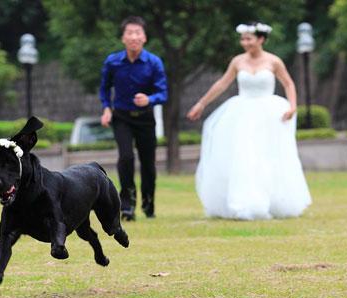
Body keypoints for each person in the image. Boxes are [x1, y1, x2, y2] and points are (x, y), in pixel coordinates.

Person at [187, 22, 311, 220]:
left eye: (249, 39)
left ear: (260, 39)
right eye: (242, 39)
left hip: (269, 114)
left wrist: (292, 106)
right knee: (244, 156)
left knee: (268, 155)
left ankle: (275, 200)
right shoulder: (237, 61)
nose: (244, 43)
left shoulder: (274, 61)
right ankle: (245, 201)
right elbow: (222, 84)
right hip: (242, 113)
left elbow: (288, 83)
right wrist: (201, 103)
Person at [99, 16, 168, 220]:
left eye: (138, 33)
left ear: (144, 37)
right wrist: (106, 108)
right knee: (126, 157)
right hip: (121, 117)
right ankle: (127, 205)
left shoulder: (154, 62)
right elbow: (104, 89)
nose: (134, 37)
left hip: (145, 118)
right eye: (130, 33)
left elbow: (163, 93)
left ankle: (148, 204)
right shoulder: (112, 62)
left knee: (148, 163)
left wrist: (149, 98)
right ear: (123, 38)